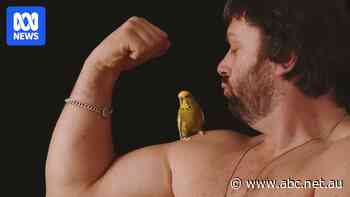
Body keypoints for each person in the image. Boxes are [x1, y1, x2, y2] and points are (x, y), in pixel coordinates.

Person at [46, 0, 350, 196]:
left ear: (284, 56)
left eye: (235, 48)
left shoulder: (342, 162)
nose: (222, 65)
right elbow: (73, 191)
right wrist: (99, 70)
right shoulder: (210, 153)